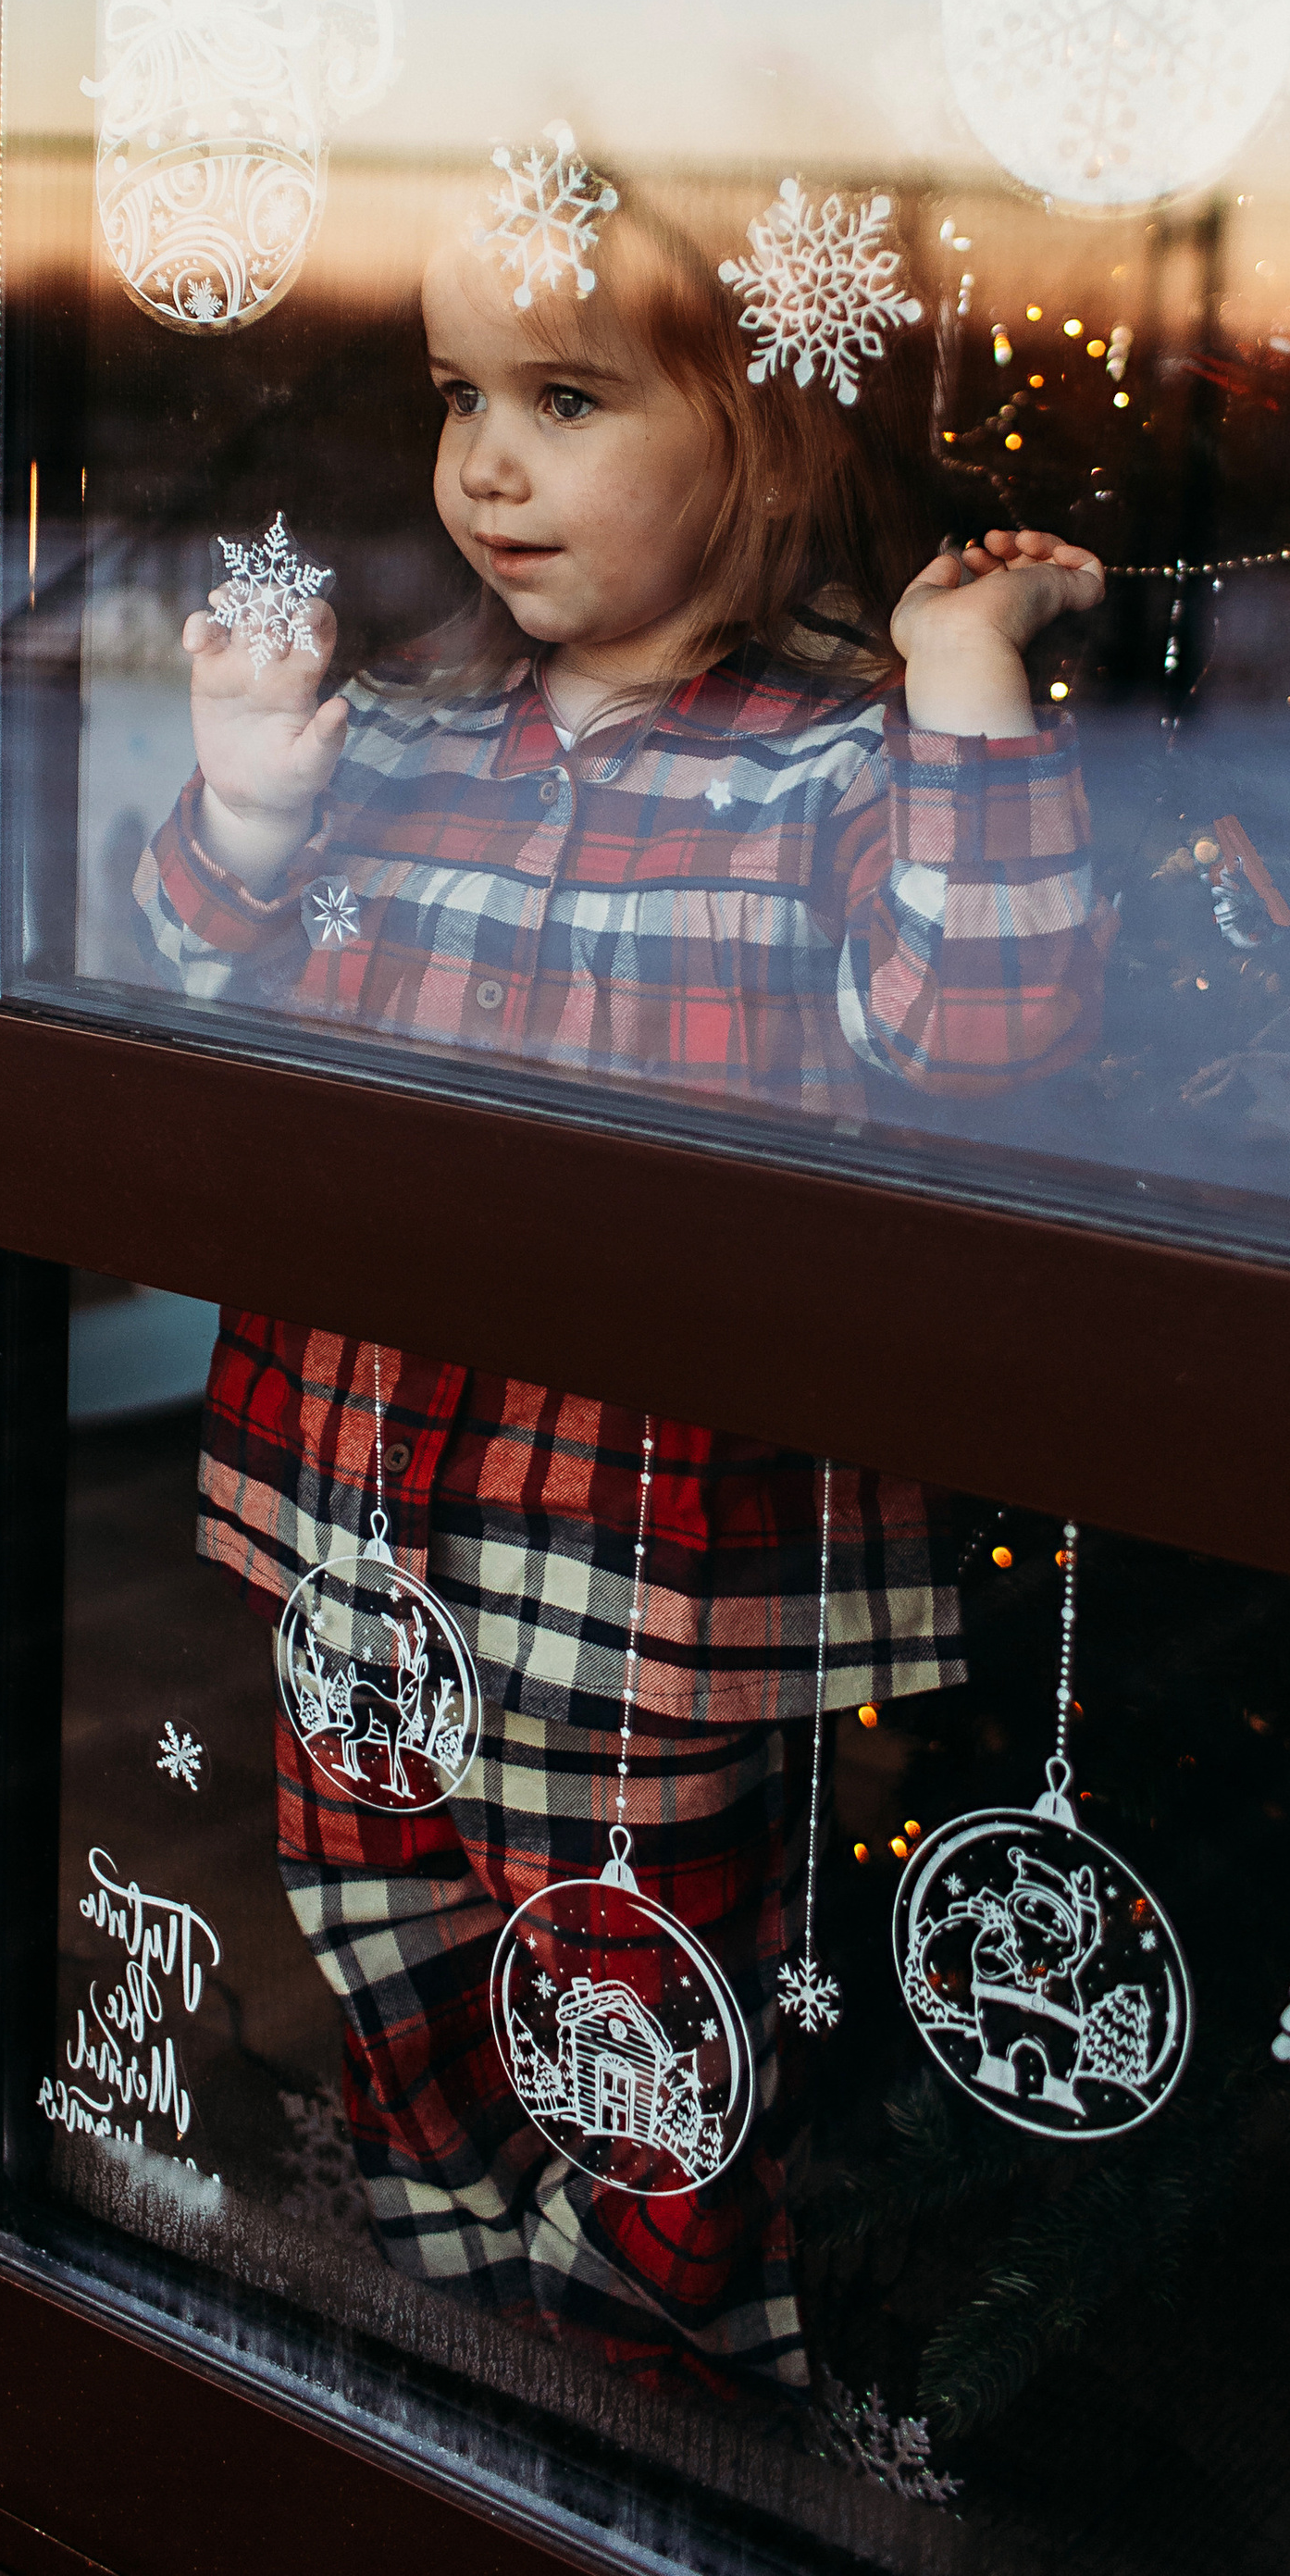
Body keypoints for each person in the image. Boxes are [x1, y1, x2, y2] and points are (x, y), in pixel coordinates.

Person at [127, 174, 1108, 2399]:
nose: (481, 462)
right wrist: (246, 819)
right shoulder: (401, 736)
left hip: (641, 1555)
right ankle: (443, 2283)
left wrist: (960, 692)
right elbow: (206, 1004)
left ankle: (644, 2373)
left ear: (758, 440)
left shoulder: (830, 766)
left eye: (563, 399)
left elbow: (976, 1039)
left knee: (638, 1991)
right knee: (373, 1917)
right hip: (359, 1519)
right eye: (457, 397)